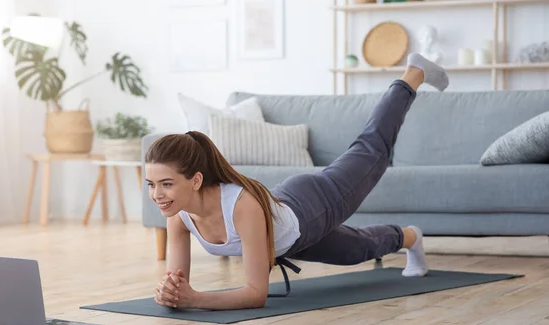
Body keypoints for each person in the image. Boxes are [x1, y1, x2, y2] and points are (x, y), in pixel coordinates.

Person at [145, 53, 449, 311]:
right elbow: (178, 286)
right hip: (290, 240)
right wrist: (170, 292)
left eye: (166, 184)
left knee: (371, 150)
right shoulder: (178, 217)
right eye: (151, 184)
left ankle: (413, 73)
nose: (157, 194)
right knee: (356, 251)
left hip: (310, 205)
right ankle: (411, 237)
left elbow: (255, 294)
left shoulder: (240, 205)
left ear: (196, 179)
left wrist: (196, 299)